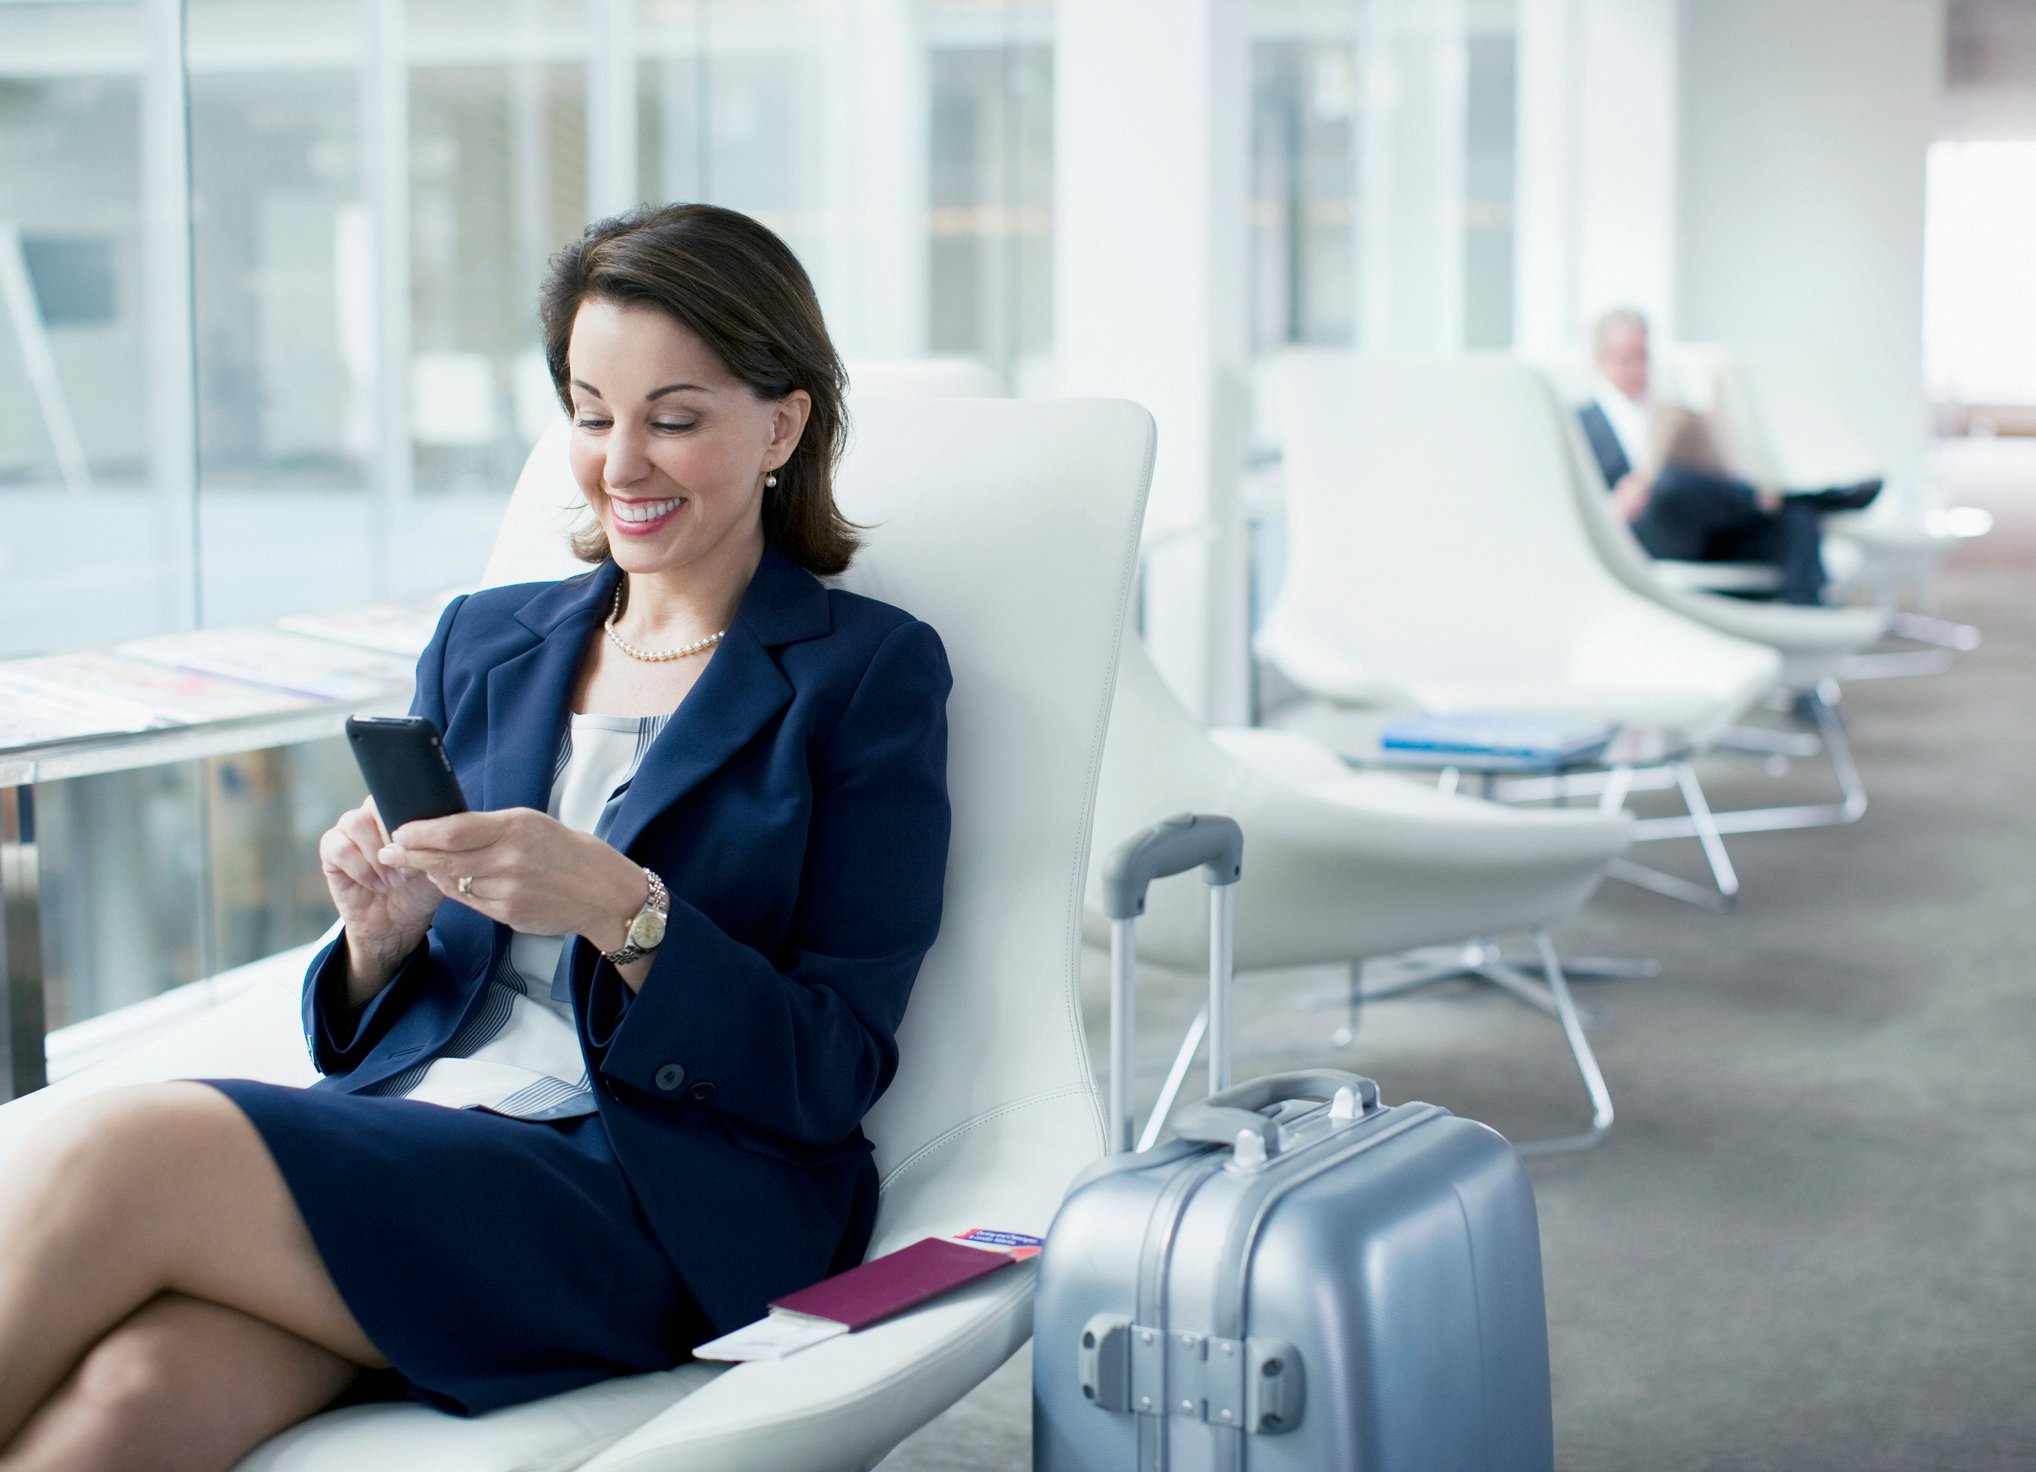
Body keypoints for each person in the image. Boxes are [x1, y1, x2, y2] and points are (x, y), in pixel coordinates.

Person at [0, 203, 952, 1470]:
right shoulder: (487, 638)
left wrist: (627, 910)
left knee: (123, 1143)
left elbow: (831, 1068)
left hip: (638, 1199)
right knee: (135, 1395)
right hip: (421, 1143)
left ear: (780, 423)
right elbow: (406, 1010)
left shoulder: (865, 673)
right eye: (591, 410)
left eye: (673, 417)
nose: (622, 462)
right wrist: (376, 945)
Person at [1576, 307, 1880, 606]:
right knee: (1668, 485)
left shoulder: (1671, 412)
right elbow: (1571, 508)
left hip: (1709, 524)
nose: (1638, 369)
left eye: (1644, 357)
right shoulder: (1578, 424)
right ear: (1600, 361)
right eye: (1626, 358)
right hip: (1647, 535)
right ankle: (1791, 497)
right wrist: (1612, 507)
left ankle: (1806, 618)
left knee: (1798, 521)